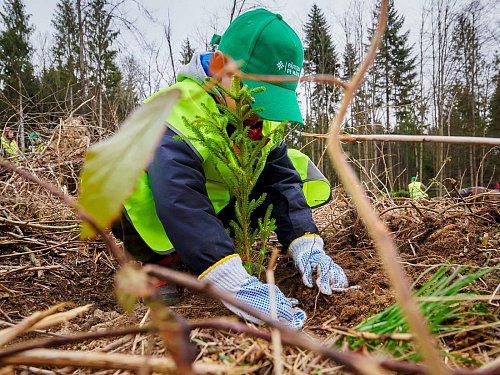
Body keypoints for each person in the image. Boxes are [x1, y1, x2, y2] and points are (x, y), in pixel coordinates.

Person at [112, 8, 348, 329]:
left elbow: (282, 183)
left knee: (296, 167)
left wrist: (306, 242)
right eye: (254, 97)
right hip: (153, 211)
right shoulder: (176, 110)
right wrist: (234, 284)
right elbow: (179, 199)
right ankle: (159, 264)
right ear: (220, 65)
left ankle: (214, 250)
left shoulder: (260, 120)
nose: (261, 114)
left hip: (211, 209)